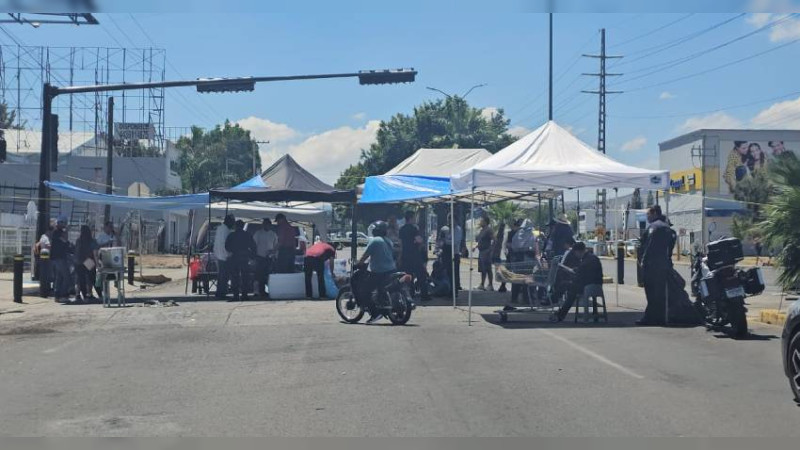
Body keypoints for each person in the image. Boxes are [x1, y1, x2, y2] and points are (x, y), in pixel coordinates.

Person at [637, 205, 675, 326]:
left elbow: (648, 247)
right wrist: (668, 259)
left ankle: (650, 317)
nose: (647, 217)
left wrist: (643, 261)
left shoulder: (653, 227)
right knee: (660, 292)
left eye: (648, 214)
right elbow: (671, 245)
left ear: (654, 213)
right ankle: (660, 316)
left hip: (651, 265)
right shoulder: (667, 227)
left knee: (651, 292)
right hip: (663, 265)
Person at [357, 221, 397, 324]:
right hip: (391, 270)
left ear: (375, 231)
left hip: (379, 271)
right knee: (380, 289)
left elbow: (365, 255)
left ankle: (375, 313)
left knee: (364, 291)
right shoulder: (388, 241)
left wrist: (358, 263)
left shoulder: (375, 241)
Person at [553, 242, 604, 322]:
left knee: (565, 285)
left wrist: (572, 274)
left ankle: (553, 300)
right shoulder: (591, 257)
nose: (575, 255)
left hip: (588, 285)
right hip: (595, 284)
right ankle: (561, 314)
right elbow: (583, 271)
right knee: (571, 292)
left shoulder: (587, 260)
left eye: (575, 253)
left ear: (578, 251)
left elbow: (581, 275)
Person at [399, 210, 430, 302]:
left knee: (408, 276)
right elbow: (419, 240)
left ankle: (410, 294)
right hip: (415, 255)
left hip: (405, 255)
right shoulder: (414, 229)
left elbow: (400, 244)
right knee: (421, 275)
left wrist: (400, 257)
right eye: (414, 217)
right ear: (411, 218)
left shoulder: (402, 229)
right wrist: (417, 242)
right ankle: (424, 295)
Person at [225, 219, 256, 302]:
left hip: (234, 257)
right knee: (245, 277)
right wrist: (252, 256)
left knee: (235, 277)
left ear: (235, 226)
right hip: (244, 257)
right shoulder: (247, 235)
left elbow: (226, 246)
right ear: (242, 226)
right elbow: (253, 246)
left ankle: (235, 296)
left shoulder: (231, 235)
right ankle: (244, 295)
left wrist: (232, 251)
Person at [253, 218, 278, 298]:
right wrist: (254, 257)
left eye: (268, 224)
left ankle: (265, 291)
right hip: (260, 257)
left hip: (269, 258)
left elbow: (276, 246)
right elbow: (253, 245)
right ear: (263, 224)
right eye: (265, 224)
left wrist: (274, 254)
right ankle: (257, 292)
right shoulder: (258, 233)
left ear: (270, 225)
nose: (266, 225)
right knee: (258, 275)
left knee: (266, 275)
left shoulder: (273, 234)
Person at [50, 216, 73, 303]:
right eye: (63, 223)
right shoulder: (56, 232)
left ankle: (57, 295)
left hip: (60, 257)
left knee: (59, 277)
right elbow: (65, 240)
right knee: (66, 276)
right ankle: (63, 294)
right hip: (58, 257)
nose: (65, 225)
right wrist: (66, 230)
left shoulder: (59, 232)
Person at [74, 225, 98, 303]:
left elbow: (76, 251)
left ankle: (77, 294)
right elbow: (95, 253)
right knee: (90, 278)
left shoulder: (78, 240)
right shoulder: (92, 241)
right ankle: (89, 294)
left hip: (78, 261)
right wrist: (97, 263)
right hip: (88, 260)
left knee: (79, 279)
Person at [213, 215, 235, 299]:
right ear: (228, 221)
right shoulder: (225, 230)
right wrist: (229, 255)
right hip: (224, 256)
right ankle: (221, 293)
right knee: (223, 276)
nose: (233, 224)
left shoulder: (220, 228)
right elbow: (224, 245)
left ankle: (220, 292)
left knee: (222, 276)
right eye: (232, 222)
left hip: (219, 255)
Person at [475, 216, 494, 291]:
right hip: (481, 251)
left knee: (488, 269)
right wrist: (476, 246)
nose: (480, 222)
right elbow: (480, 241)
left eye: (481, 221)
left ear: (485, 222)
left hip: (486, 252)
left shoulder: (489, 230)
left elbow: (494, 240)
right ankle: (482, 284)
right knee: (482, 269)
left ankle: (490, 285)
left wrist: (489, 250)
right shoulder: (482, 230)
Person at [492, 221, 507, 293]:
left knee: (503, 272)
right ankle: (503, 285)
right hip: (500, 256)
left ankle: (503, 285)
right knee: (501, 272)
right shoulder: (499, 235)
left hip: (502, 256)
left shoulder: (504, 234)